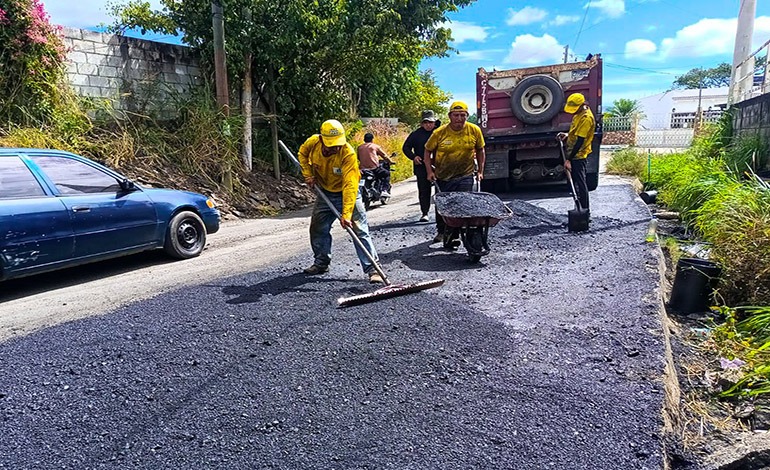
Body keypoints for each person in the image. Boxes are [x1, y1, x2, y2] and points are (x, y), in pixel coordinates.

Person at [298, 119, 383, 283]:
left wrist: (347, 214)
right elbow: (302, 154)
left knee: (359, 229)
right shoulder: (313, 142)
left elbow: (350, 185)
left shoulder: (347, 153)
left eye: (338, 144)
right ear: (322, 139)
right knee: (318, 228)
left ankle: (373, 269)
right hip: (325, 192)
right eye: (332, 145)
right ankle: (321, 263)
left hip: (347, 193)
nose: (336, 148)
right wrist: (308, 174)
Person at [424, 101, 486, 244]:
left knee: (462, 205)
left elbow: (480, 150)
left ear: (467, 116)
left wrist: (480, 171)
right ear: (450, 116)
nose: (459, 118)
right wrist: (429, 171)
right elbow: (427, 151)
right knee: (444, 206)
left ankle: (457, 234)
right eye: (456, 115)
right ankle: (442, 231)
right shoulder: (439, 133)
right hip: (443, 176)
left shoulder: (474, 130)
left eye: (462, 115)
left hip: (465, 174)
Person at [557, 92, 595, 216]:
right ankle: (579, 208)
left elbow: (580, 141)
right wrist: (567, 135)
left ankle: (585, 211)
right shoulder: (578, 115)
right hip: (573, 151)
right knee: (576, 183)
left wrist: (569, 160)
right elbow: (576, 133)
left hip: (579, 154)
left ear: (582, 105)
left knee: (580, 182)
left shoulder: (586, 118)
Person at [402, 110, 438, 222]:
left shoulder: (440, 132)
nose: (428, 125)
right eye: (425, 122)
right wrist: (414, 157)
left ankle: (442, 215)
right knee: (424, 191)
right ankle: (425, 213)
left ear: (434, 123)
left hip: (439, 166)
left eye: (430, 122)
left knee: (441, 191)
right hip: (421, 166)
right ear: (422, 123)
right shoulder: (416, 134)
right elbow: (406, 147)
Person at [357, 132, 394, 197]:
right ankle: (384, 190)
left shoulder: (359, 148)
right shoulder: (375, 146)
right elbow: (384, 156)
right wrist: (390, 162)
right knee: (386, 173)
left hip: (362, 170)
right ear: (372, 139)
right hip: (374, 168)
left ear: (364, 139)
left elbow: (358, 157)